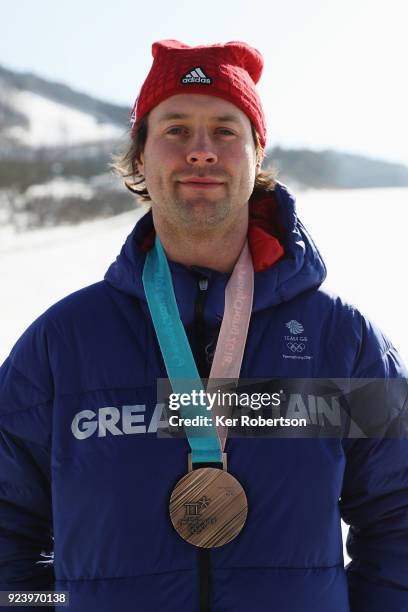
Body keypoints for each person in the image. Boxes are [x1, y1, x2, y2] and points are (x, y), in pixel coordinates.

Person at [0, 39, 407, 612]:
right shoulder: (60, 345)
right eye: (174, 130)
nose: (200, 151)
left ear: (256, 155)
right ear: (140, 156)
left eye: (224, 130)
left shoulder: (342, 342)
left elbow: (399, 516)